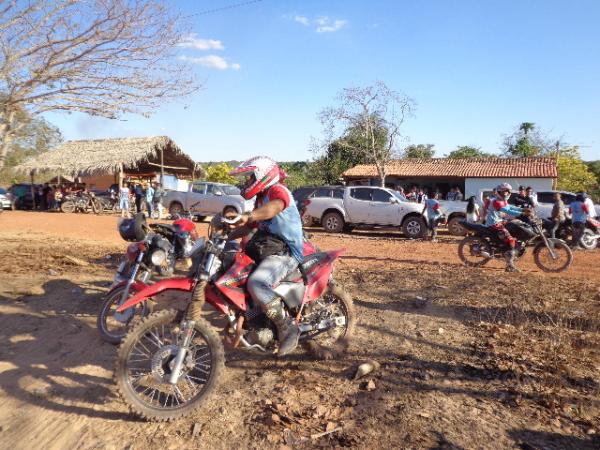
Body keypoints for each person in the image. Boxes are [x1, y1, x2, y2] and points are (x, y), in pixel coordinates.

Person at [228, 156, 304, 357]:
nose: (247, 182)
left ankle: (288, 328)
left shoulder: (277, 191)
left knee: (257, 283)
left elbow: (276, 207)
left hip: (285, 252)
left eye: (250, 177)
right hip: (268, 250)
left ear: (262, 176)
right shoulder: (261, 198)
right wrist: (226, 233)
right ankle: (256, 320)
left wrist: (250, 215)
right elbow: (248, 226)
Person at [485, 183, 527, 272]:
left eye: (507, 191)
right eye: (504, 192)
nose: (506, 193)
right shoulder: (496, 201)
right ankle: (509, 266)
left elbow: (510, 207)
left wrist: (522, 209)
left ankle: (508, 250)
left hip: (499, 222)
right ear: (499, 192)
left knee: (514, 225)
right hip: (494, 224)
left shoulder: (502, 200)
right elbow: (507, 211)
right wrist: (522, 213)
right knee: (511, 240)